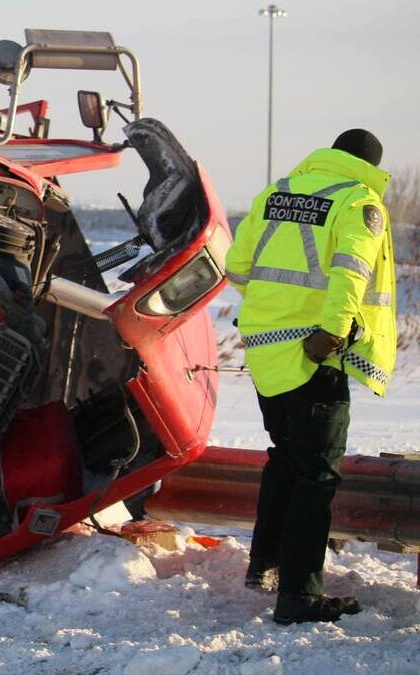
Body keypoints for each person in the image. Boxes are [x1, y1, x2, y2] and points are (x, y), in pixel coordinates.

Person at [225, 129, 396, 625]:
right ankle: (300, 596)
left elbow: (238, 267)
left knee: (285, 458)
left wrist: (273, 312)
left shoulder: (278, 192)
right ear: (369, 164)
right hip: (313, 353)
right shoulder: (360, 202)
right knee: (316, 474)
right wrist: (332, 331)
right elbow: (350, 274)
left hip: (263, 350)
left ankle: (266, 566)